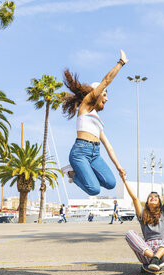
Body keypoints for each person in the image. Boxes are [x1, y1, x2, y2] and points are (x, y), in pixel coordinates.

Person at [61, 50, 128, 196]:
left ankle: (85, 171)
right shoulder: (85, 106)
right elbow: (106, 81)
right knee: (94, 190)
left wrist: (119, 167)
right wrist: (121, 63)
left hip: (95, 153)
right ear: (96, 94)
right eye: (104, 95)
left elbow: (108, 146)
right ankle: (72, 173)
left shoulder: (98, 121)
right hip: (80, 152)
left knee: (111, 183)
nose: (106, 99)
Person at [123, 164, 164, 271]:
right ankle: (154, 258)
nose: (153, 198)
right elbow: (134, 198)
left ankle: (156, 257)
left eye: (156, 197)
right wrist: (124, 180)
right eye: (150, 197)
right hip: (146, 253)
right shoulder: (143, 214)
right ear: (147, 202)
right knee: (129, 233)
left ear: (159, 201)